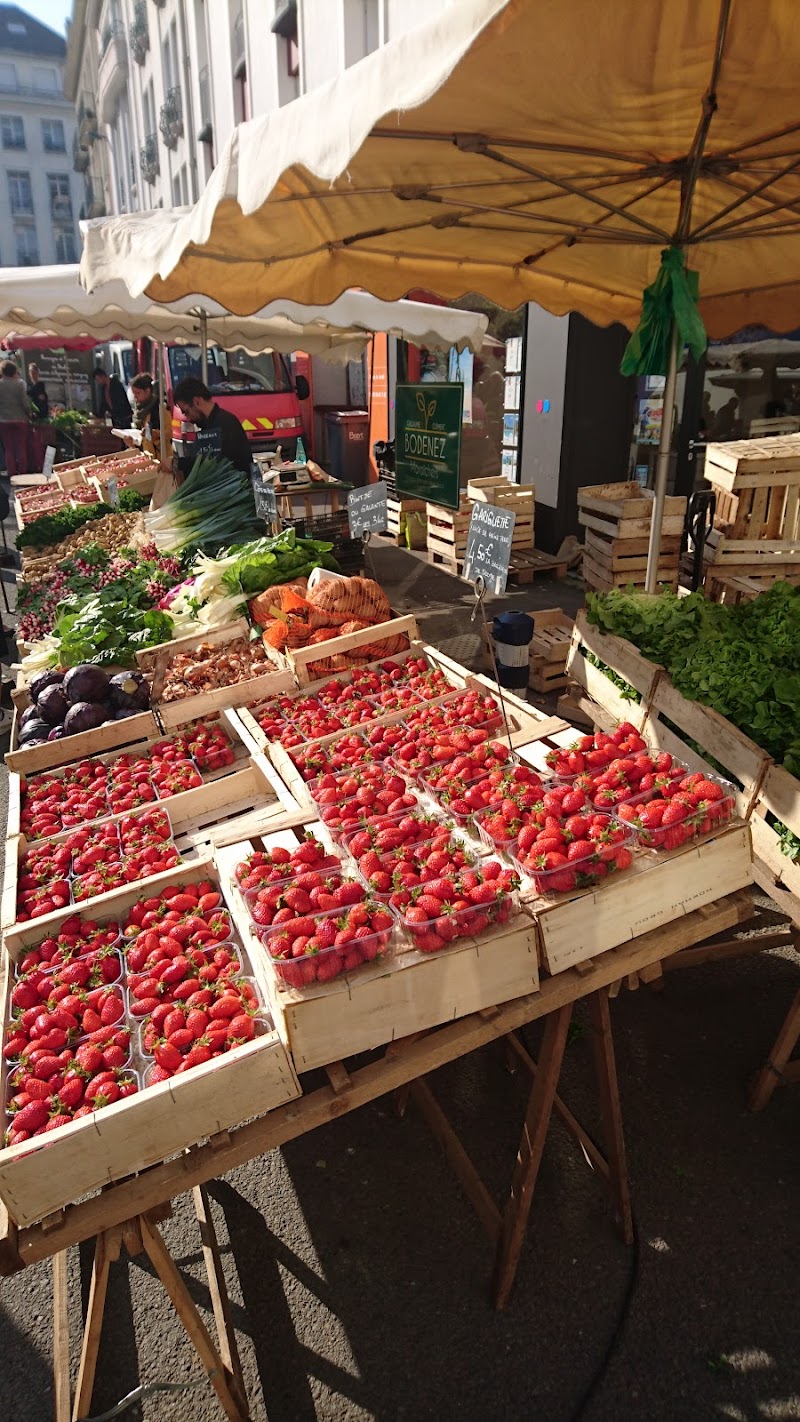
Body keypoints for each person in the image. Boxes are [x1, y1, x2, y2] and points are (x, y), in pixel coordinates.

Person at [173, 376, 252, 473]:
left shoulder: (226, 424)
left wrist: (177, 463)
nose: (188, 418)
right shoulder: (208, 426)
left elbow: (213, 464)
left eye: (186, 412)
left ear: (197, 402)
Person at [0, 360, 32, 477]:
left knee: (8, 448)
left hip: (4, 420)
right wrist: (29, 414)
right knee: (21, 446)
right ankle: (22, 471)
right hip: (20, 419)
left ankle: (11, 472)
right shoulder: (20, 383)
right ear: (14, 371)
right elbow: (25, 402)